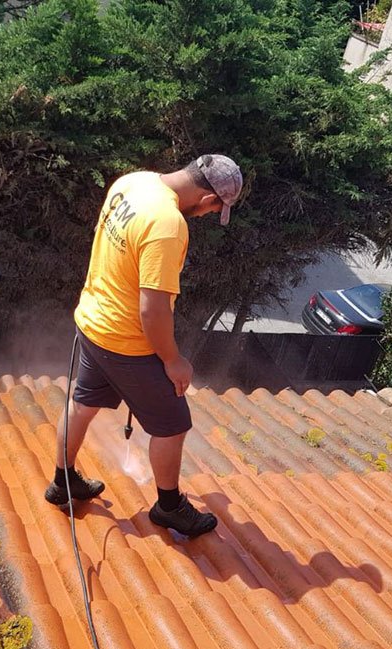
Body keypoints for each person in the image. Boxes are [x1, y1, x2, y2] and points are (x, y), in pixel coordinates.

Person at [44, 154, 243, 537]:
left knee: (82, 404)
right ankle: (169, 507)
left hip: (93, 323)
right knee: (173, 425)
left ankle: (62, 480)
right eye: (211, 210)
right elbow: (152, 310)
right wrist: (173, 360)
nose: (205, 215)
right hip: (126, 342)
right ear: (207, 200)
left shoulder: (133, 182)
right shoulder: (168, 225)